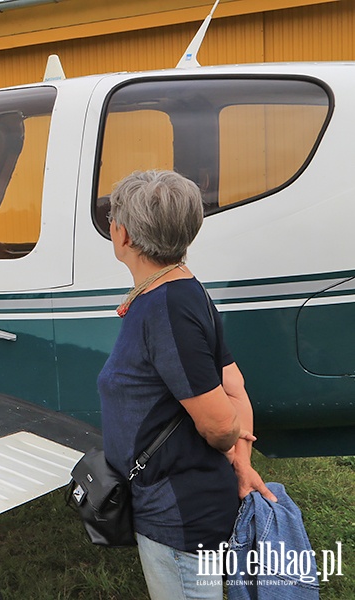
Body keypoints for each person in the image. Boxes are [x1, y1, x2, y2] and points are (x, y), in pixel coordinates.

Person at [98, 170, 276, 600]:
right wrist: (242, 461)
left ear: (121, 234)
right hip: (187, 502)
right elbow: (235, 385)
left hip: (178, 515)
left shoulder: (165, 309)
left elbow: (218, 422)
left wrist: (230, 443)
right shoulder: (183, 287)